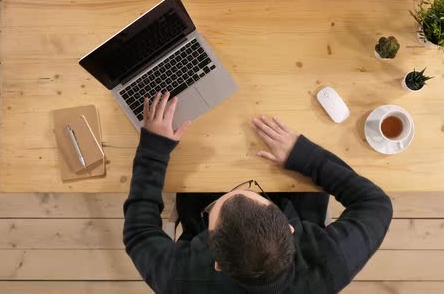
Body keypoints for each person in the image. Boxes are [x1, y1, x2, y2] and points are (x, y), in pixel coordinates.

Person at [123, 91, 393, 293]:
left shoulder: (180, 280)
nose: (237, 187)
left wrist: (153, 149)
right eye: (256, 196)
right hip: (295, 196)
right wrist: (304, 156)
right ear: (289, 230)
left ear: (215, 261)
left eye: (223, 202)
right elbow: (376, 204)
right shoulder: (330, 264)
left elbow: (139, 233)